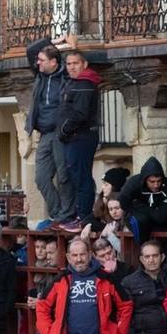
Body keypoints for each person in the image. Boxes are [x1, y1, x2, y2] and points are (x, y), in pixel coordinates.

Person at [24, 37, 72, 222]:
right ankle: (58, 213)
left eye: (42, 60)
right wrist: (53, 40)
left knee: (63, 176)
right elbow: (30, 50)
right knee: (41, 178)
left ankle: (67, 214)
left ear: (53, 62)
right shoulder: (39, 75)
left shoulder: (66, 75)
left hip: (61, 133)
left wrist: (70, 46)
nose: (38, 63)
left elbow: (76, 60)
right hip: (44, 134)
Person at [56, 48, 103, 226]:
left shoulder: (84, 83)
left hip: (80, 137)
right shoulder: (76, 82)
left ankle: (83, 218)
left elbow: (80, 113)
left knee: (81, 178)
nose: (71, 67)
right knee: (77, 177)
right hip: (76, 137)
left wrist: (64, 130)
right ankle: (80, 215)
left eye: (75, 63)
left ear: (84, 64)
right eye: (68, 64)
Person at [121, 157, 167, 239]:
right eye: (152, 181)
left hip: (160, 223)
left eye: (159, 181)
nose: (156, 185)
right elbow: (124, 203)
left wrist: (140, 206)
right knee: (139, 221)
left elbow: (162, 217)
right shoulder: (133, 185)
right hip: (139, 220)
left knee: (163, 232)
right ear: (145, 180)